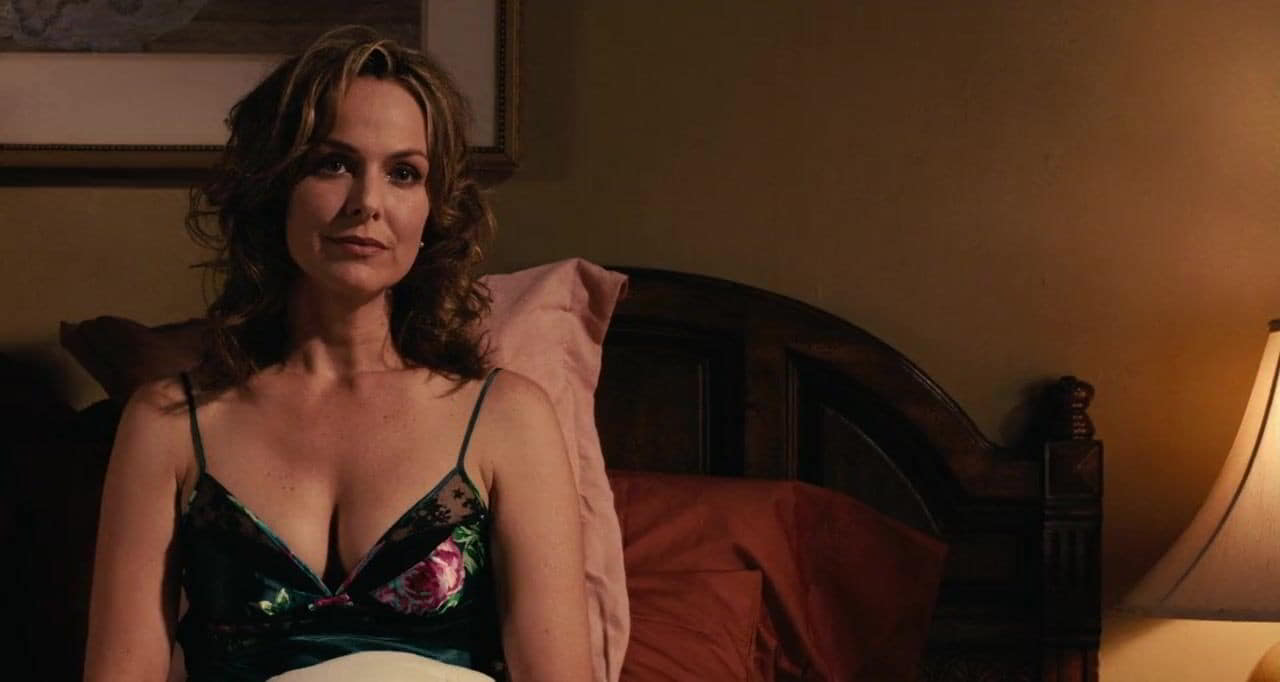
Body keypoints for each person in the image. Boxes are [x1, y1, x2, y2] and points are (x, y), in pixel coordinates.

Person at [83, 26, 593, 682]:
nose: (367, 203)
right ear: (275, 186)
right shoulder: (169, 422)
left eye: (404, 173)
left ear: (433, 210)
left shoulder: (507, 417)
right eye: (333, 164)